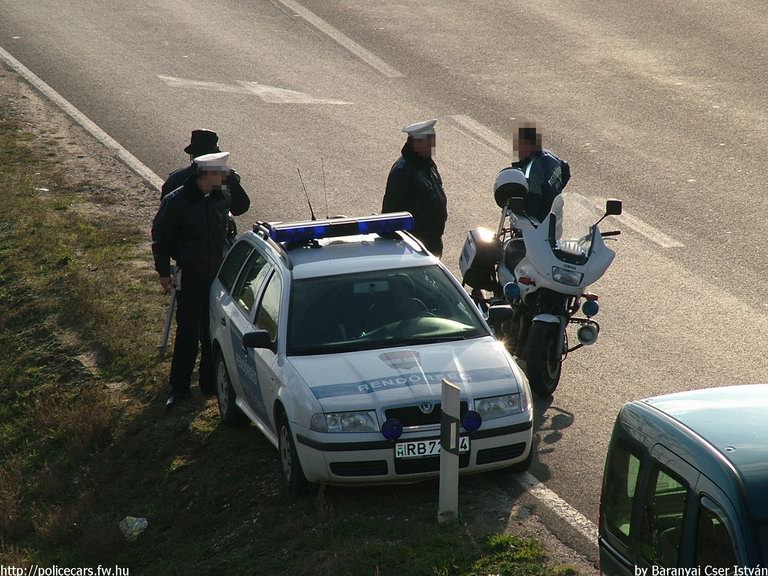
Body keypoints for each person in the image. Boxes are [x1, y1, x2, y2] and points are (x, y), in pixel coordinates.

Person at [152, 151, 250, 410]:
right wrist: (163, 273)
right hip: (191, 274)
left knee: (212, 331)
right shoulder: (177, 202)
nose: (224, 179)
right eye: (221, 175)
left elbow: (240, 208)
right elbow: (160, 239)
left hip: (215, 275)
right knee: (187, 331)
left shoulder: (222, 198)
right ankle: (179, 387)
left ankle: (209, 383)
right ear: (204, 176)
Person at [161, 129, 249, 244]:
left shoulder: (175, 178)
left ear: (193, 155)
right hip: (217, 246)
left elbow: (164, 220)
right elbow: (240, 207)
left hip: (184, 249)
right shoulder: (226, 176)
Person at [382, 119, 447, 257]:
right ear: (416, 143)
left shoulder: (428, 165)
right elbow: (391, 210)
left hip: (432, 242)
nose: (433, 145)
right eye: (429, 142)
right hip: (412, 246)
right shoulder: (403, 170)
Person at [510, 123, 570, 223]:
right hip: (557, 213)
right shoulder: (549, 155)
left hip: (540, 225)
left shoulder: (531, 172)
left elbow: (532, 205)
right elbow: (566, 171)